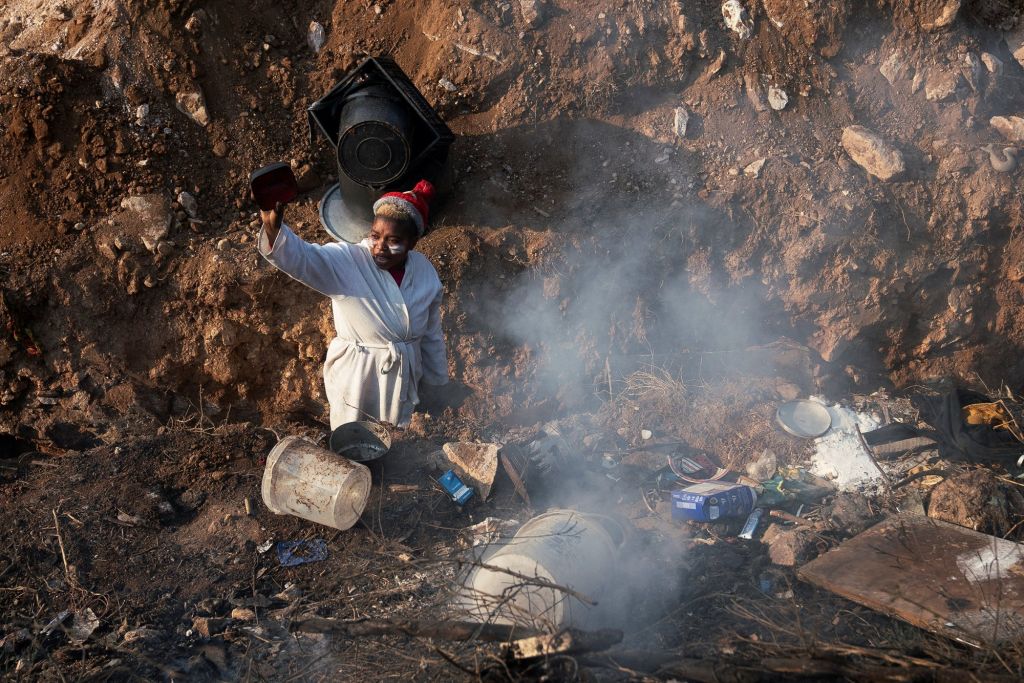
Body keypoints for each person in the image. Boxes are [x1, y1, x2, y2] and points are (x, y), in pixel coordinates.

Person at [258, 179, 449, 428]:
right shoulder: (349, 261)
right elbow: (305, 257)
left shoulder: (424, 271)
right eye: (375, 236)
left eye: (393, 240)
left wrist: (437, 381)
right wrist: (274, 230)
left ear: (412, 243)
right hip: (358, 375)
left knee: (398, 443)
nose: (380, 247)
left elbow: (431, 332)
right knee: (353, 443)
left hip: (402, 375)